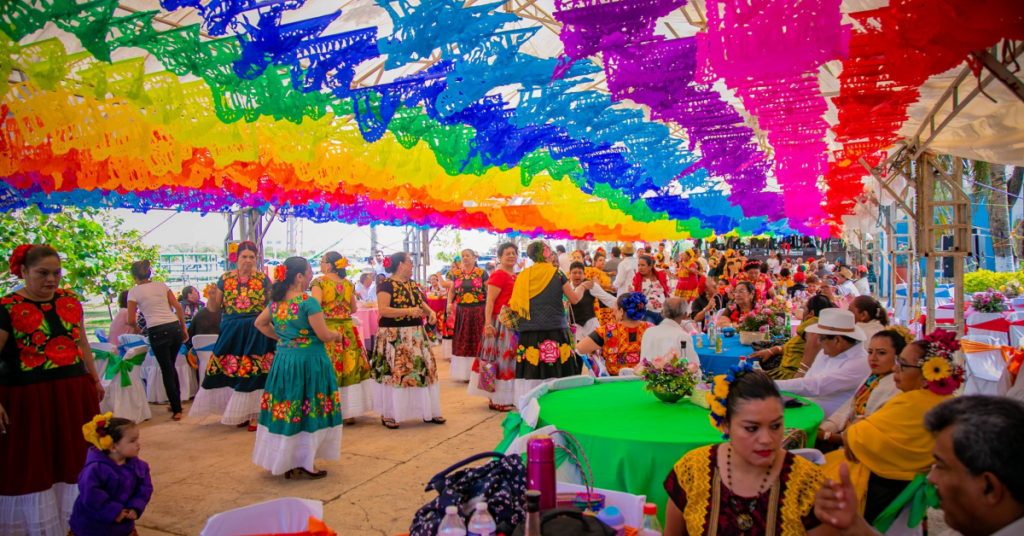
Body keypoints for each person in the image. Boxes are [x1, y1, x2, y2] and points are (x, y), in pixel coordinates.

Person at [0, 245, 104, 536]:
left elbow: (82, 343)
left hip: (73, 392)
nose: (51, 280)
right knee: (34, 461)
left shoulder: (70, 301)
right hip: (27, 398)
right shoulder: (6, 307)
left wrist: (95, 381)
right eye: (42, 273)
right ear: (22, 272)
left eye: (56, 273)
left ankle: (77, 523)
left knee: (75, 459)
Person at [815, 397, 1024, 536]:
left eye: (941, 467)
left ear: (989, 487)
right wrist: (856, 527)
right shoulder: (975, 526)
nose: (931, 479)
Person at [664, 364, 829, 536]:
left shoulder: (809, 484)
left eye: (776, 426)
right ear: (726, 424)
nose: (766, 439)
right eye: (751, 428)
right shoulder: (692, 471)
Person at [820, 330, 963, 527]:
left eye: (902, 365)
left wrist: (846, 431)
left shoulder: (911, 401)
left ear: (926, 377)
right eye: (870, 352)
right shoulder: (941, 401)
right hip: (893, 484)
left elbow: (857, 438)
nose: (896, 369)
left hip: (882, 486)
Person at [252, 257, 344, 478]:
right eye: (309, 271)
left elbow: (259, 323)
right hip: (310, 361)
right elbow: (323, 334)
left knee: (287, 406)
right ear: (299, 276)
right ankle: (305, 461)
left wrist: (283, 339)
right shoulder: (308, 302)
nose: (312, 275)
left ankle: (286, 458)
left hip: (284, 360)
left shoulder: (275, 302)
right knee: (308, 407)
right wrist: (337, 335)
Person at [191, 241, 276, 431]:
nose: (247, 260)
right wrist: (212, 297)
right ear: (236, 259)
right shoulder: (225, 278)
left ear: (256, 259)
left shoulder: (263, 279)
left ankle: (255, 414)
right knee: (234, 369)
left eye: (251, 257)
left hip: (257, 329)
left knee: (255, 371)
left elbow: (271, 305)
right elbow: (214, 308)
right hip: (232, 329)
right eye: (244, 257)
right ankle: (240, 412)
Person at [508, 241, 592, 403]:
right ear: (547, 254)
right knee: (557, 368)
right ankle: (560, 403)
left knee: (533, 368)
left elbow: (516, 304)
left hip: (529, 330)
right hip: (555, 328)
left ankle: (531, 403)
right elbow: (574, 299)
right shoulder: (557, 274)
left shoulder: (523, 275)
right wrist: (582, 287)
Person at [372, 252, 443, 428]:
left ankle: (428, 411)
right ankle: (389, 413)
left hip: (415, 334)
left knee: (420, 370)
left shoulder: (412, 284)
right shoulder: (385, 285)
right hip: (394, 335)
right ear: (400, 265)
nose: (412, 265)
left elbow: (420, 303)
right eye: (410, 262)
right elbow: (383, 310)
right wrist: (409, 312)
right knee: (395, 372)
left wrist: (430, 312)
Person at [817, 328, 911, 452]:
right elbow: (844, 412)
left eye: (881, 353)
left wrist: (827, 437)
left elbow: (870, 437)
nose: (873, 358)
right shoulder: (872, 378)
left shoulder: (896, 387)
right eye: (870, 352)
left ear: (898, 357)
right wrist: (824, 430)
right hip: (846, 441)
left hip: (860, 453)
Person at [775, 309, 870, 418]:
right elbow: (807, 381)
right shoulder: (828, 352)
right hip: (804, 408)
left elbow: (816, 386)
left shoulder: (860, 363)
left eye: (821, 338)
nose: (819, 343)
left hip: (827, 423)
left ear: (838, 341)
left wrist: (770, 384)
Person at [311, 252, 371, 425]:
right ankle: (349, 412)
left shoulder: (319, 282)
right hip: (347, 330)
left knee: (329, 367)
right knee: (348, 366)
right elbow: (353, 308)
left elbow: (315, 307)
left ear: (328, 265)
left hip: (328, 328)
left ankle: (328, 409)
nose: (321, 265)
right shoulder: (347, 284)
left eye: (322, 262)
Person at [70, 414, 153, 536]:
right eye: (132, 441)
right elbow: (91, 495)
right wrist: (114, 512)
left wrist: (135, 506)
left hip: (123, 528)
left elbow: (144, 489)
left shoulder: (140, 466)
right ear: (113, 447)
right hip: (92, 528)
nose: (138, 444)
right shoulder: (95, 469)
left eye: (137, 439)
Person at [127, 260, 189, 421]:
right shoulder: (162, 286)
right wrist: (183, 328)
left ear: (134, 276)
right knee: (171, 366)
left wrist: (135, 328)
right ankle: (177, 404)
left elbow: (131, 318)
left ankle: (176, 409)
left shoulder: (134, 292)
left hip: (157, 330)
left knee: (167, 369)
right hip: (174, 327)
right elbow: (178, 307)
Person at [468, 243, 519, 411]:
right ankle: (495, 399)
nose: (512, 256)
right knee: (499, 359)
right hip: (499, 322)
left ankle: (506, 397)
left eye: (514, 253)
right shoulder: (498, 275)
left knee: (510, 359)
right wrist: (488, 324)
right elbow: (489, 301)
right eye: (507, 254)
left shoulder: (515, 276)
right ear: (500, 257)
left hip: (513, 322)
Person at [750, 294, 834, 381]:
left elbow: (816, 337)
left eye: (804, 309)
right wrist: (772, 350)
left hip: (791, 379)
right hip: (785, 375)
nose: (802, 312)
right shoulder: (817, 325)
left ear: (811, 313)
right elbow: (798, 345)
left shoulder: (813, 322)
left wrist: (801, 374)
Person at [576, 293, 654, 376]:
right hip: (645, 381)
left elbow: (580, 348)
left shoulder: (607, 330)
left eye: (615, 307)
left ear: (621, 311)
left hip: (615, 382)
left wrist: (595, 350)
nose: (613, 310)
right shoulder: (650, 328)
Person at [447, 249, 489, 382]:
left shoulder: (481, 273)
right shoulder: (457, 274)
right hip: (462, 312)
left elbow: (490, 291)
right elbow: (452, 291)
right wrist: (449, 304)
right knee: (463, 341)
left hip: (478, 311)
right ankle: (464, 374)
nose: (465, 258)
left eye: (467, 256)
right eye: (463, 256)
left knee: (477, 340)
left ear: (474, 258)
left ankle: (478, 373)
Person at [640, 297, 699, 366]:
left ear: (662, 313)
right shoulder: (682, 336)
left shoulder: (648, 332)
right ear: (685, 315)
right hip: (672, 376)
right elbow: (693, 365)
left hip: (647, 375)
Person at [632, 255, 670, 325]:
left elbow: (668, 291)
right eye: (639, 265)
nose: (640, 268)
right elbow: (632, 294)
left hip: (663, 312)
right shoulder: (636, 279)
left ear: (650, 266)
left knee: (663, 334)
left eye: (643, 265)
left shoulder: (661, 276)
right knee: (649, 333)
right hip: (647, 312)